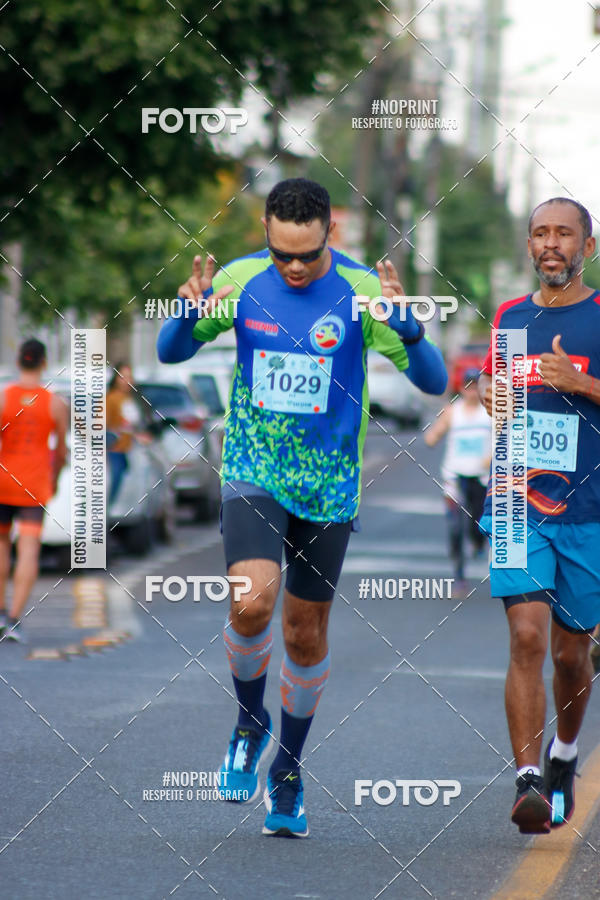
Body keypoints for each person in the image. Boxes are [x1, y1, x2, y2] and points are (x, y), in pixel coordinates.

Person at [157, 178, 448, 836]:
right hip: (254, 467)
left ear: (329, 236)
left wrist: (413, 332)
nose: (293, 267)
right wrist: (184, 314)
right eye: (281, 253)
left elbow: (431, 383)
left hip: (329, 485)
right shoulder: (237, 280)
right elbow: (171, 352)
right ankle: (247, 720)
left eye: (307, 256)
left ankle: (288, 768)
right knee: (251, 600)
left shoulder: (365, 292)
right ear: (265, 230)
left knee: (303, 634)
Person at [477, 197, 600, 834]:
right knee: (525, 635)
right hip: (516, 502)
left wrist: (583, 386)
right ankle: (526, 781)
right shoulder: (510, 316)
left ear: (589, 245)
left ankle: (562, 756)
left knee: (570, 655)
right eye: (540, 233)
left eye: (564, 234)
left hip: (589, 511)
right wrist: (488, 391)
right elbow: (494, 387)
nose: (551, 244)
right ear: (529, 245)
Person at [0, 340, 68, 642]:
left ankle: (0, 611)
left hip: (3, 482)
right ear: (43, 363)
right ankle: (14, 619)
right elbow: (62, 450)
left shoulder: (4, 399)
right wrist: (54, 478)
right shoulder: (54, 403)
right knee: (28, 551)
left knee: (1, 544)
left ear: (18, 362)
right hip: (33, 485)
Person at [424, 367, 491, 595]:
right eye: (468, 387)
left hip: (481, 478)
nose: (472, 392)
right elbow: (433, 436)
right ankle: (459, 577)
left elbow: (504, 439)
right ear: (462, 389)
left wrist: (489, 457)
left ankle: (478, 542)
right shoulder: (453, 412)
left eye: (476, 387)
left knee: (477, 524)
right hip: (454, 477)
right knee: (454, 527)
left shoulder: (489, 412)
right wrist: (434, 433)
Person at [106, 364, 144, 505]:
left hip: (130, 449)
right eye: (123, 377)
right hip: (116, 449)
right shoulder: (110, 399)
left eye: (129, 377)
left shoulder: (131, 399)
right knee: (116, 480)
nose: (127, 381)